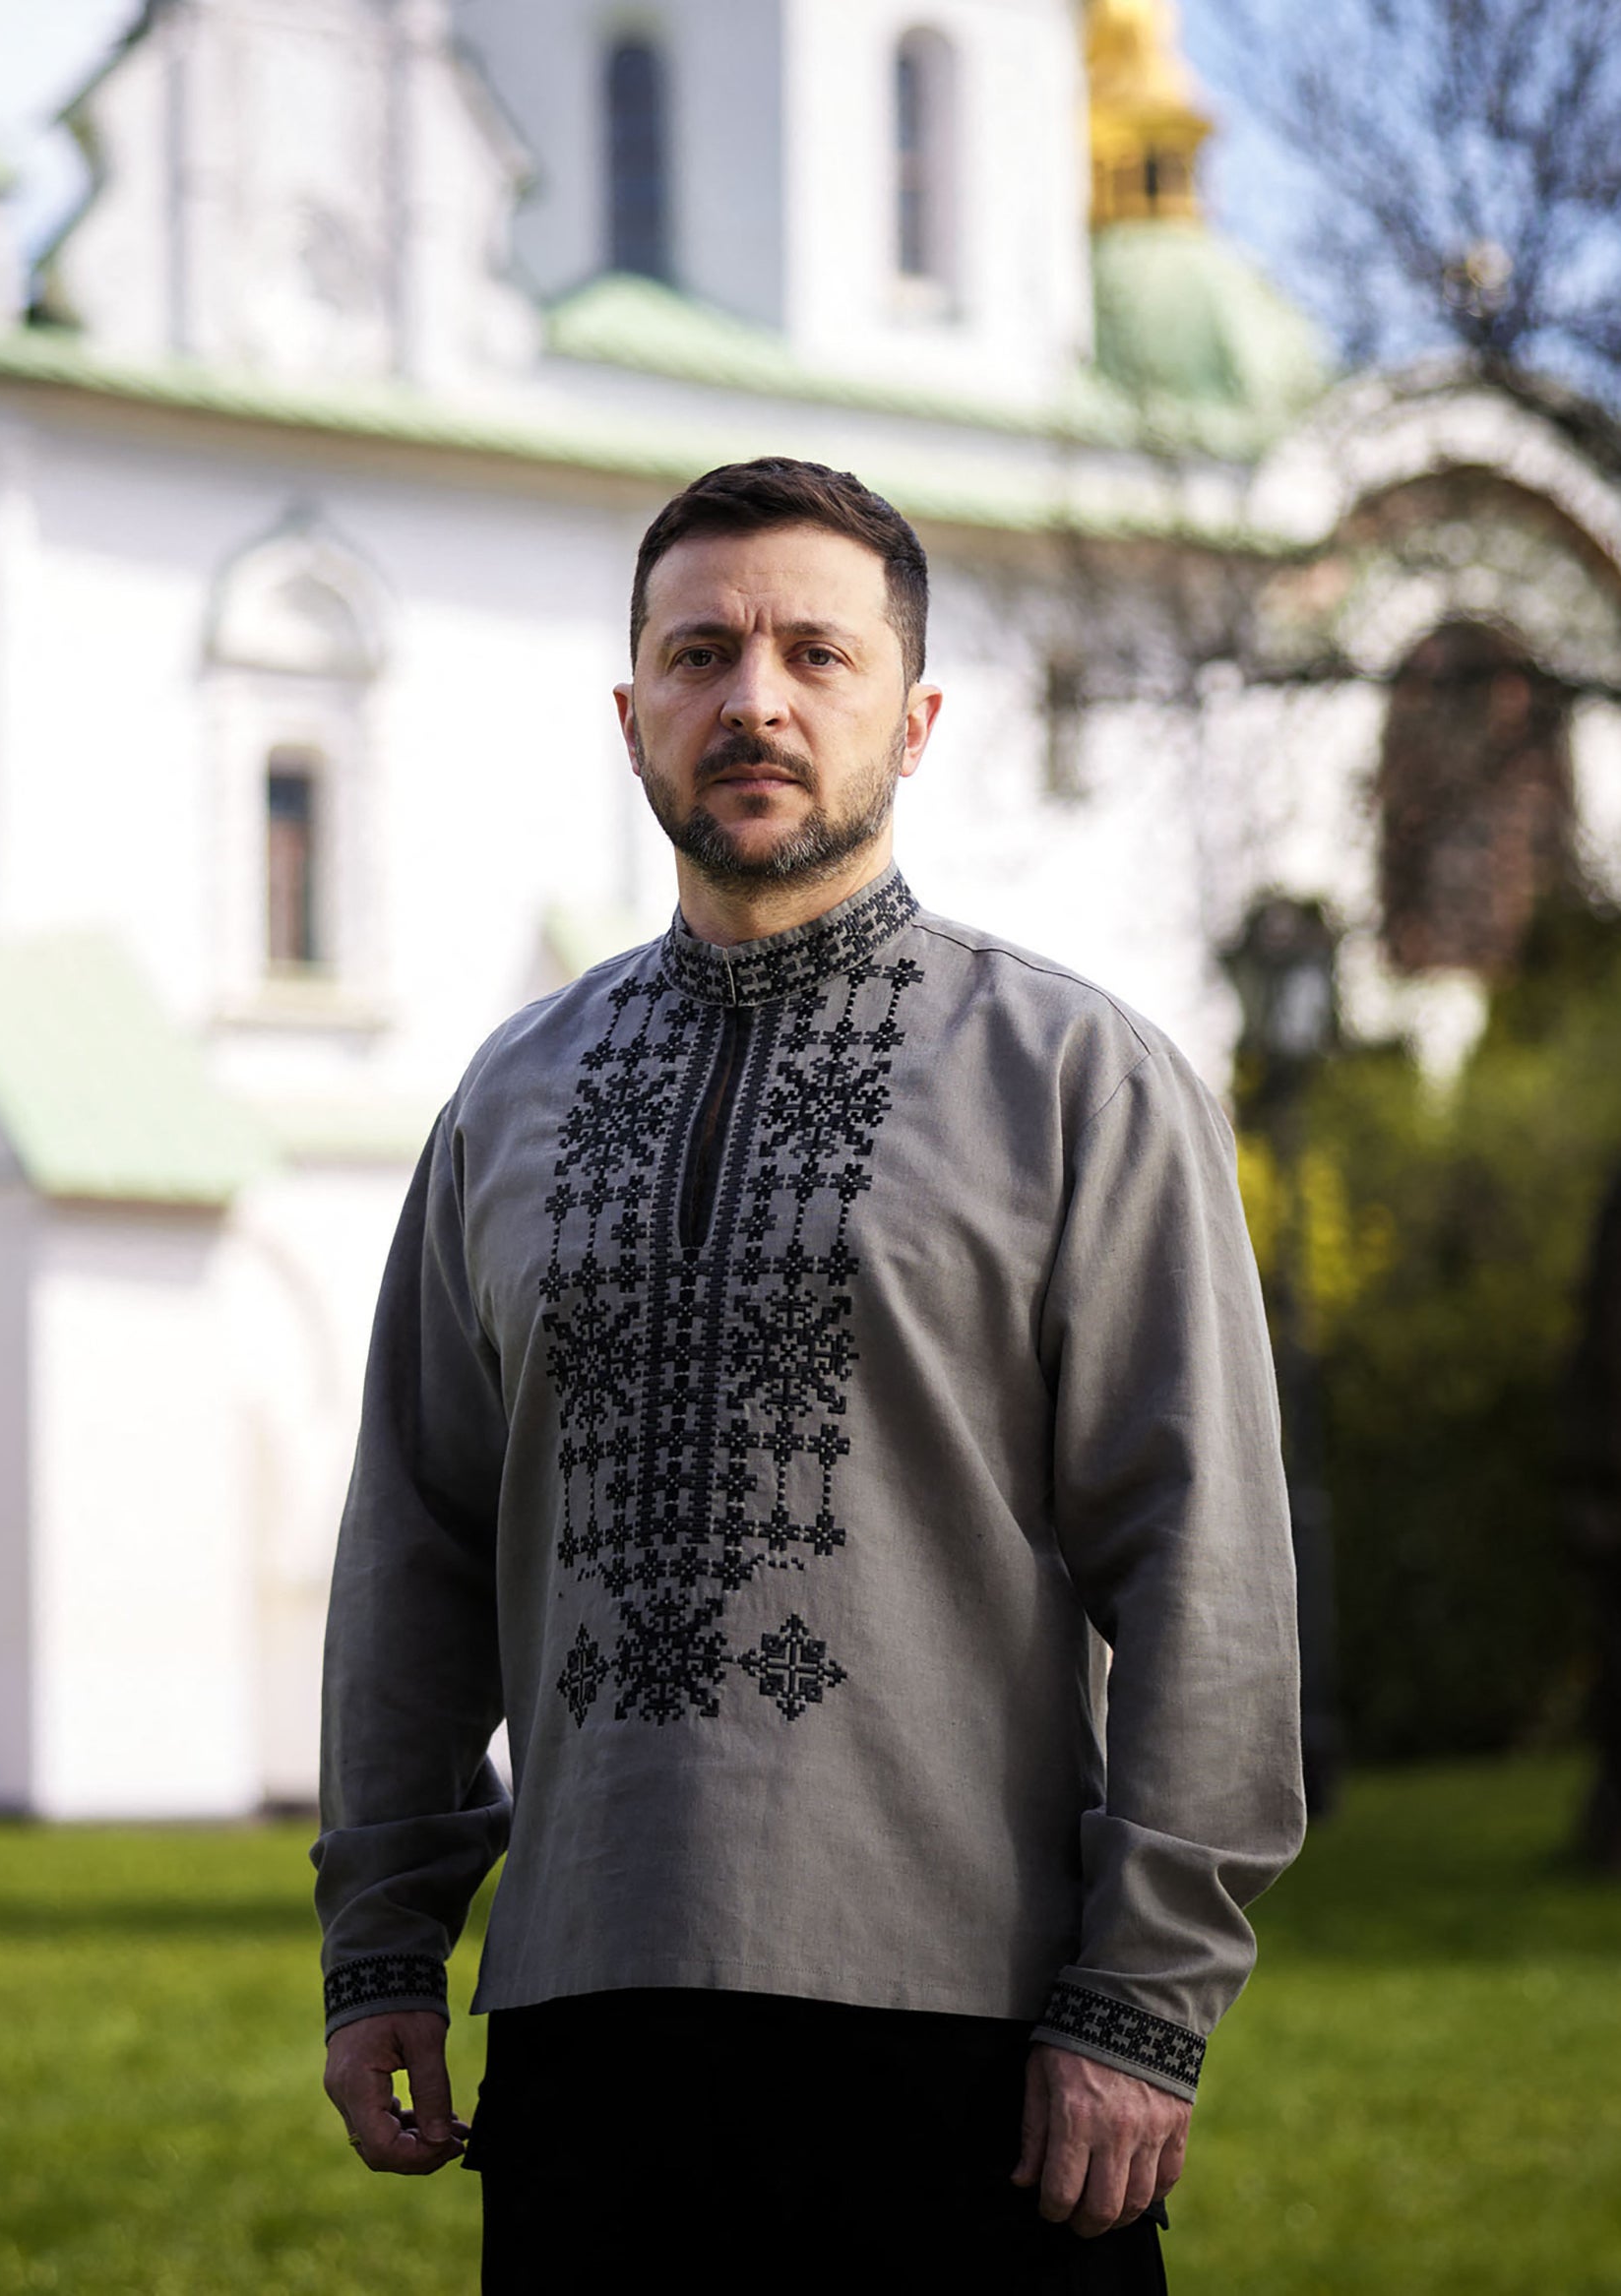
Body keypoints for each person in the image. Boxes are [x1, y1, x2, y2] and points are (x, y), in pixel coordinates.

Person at [314, 457, 1304, 2289]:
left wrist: (1145, 1999)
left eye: (814, 655)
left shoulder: (1078, 1082)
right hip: (582, 2033)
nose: (753, 699)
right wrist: (384, 1939)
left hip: (978, 2052)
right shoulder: (507, 1102)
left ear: (914, 717)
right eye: (700, 653)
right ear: (633, 716)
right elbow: (415, 1544)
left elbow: (1208, 1567)